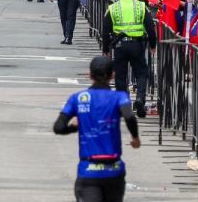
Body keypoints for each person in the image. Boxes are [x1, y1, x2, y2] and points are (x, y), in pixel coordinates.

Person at [54, 56, 142, 202]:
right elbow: (129, 116)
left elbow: (58, 127)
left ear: (90, 75)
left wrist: (75, 127)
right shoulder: (119, 97)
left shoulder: (78, 98)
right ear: (112, 75)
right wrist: (135, 138)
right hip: (114, 170)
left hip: (88, 171)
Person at [102, 0, 158, 118]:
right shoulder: (141, 6)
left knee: (120, 76)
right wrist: (152, 45)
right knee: (141, 73)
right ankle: (140, 99)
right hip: (137, 45)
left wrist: (106, 49)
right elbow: (151, 28)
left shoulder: (112, 8)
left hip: (120, 46)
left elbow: (105, 30)